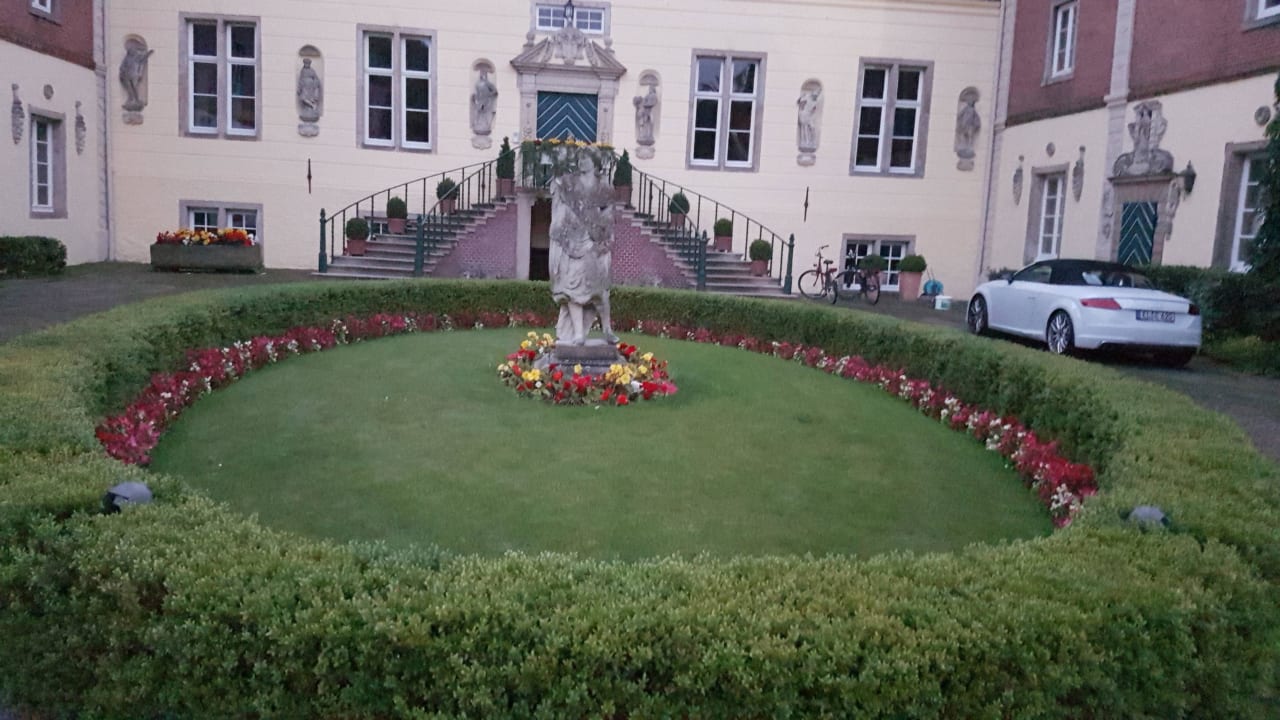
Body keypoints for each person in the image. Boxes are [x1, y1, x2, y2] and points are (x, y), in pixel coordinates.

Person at [549, 151, 617, 346]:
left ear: (595, 164)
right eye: (579, 159)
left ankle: (607, 329)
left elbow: (609, 216)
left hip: (595, 244)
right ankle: (578, 334)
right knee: (571, 288)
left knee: (600, 291)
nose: (582, 162)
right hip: (573, 243)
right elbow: (560, 200)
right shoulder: (569, 183)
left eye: (586, 159)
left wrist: (599, 231)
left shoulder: (604, 187)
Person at [471, 69, 497, 135]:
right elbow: (477, 92)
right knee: (478, 112)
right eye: (481, 74)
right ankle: (476, 124)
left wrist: (489, 95)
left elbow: (494, 91)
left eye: (483, 74)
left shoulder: (488, 83)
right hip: (479, 100)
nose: (482, 76)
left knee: (484, 113)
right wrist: (475, 97)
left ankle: (487, 125)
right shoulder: (477, 83)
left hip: (486, 100)